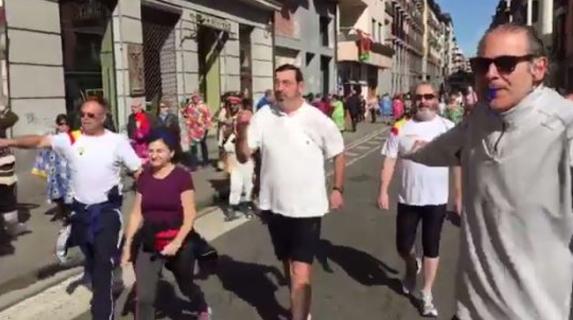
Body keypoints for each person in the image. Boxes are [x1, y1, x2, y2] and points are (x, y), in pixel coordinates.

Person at [406, 24, 573, 320]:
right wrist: (408, 148)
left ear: (539, 68)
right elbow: (442, 149)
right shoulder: (481, 116)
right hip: (468, 310)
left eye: (506, 64)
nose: (491, 74)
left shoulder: (564, 130)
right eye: (482, 65)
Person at [0, 96, 142, 319]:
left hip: (107, 212)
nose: (84, 118)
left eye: (91, 115)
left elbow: (138, 170)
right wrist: (8, 142)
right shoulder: (71, 139)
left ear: (103, 118)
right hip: (81, 213)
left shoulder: (117, 141)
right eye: (82, 114)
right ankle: (105, 274)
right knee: (93, 260)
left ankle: (103, 311)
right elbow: (38, 141)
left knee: (102, 265)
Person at [235, 64, 345, 320]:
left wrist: (338, 188)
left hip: (308, 208)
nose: (280, 88)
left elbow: (338, 153)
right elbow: (243, 156)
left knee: (301, 272)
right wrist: (242, 129)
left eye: (287, 83)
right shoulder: (264, 115)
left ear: (300, 87)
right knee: (287, 263)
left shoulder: (317, 119)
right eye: (278, 82)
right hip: (273, 206)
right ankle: (300, 310)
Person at [378, 82, 461, 317]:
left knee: (431, 247)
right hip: (408, 198)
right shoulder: (399, 127)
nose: (423, 101)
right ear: (412, 100)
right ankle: (410, 266)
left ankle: (426, 293)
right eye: (419, 97)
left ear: (436, 98)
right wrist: (383, 189)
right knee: (403, 245)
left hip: (436, 200)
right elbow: (390, 160)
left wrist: (458, 195)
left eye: (429, 96)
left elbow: (457, 163)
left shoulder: (448, 127)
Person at [121, 129, 211, 320]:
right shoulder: (144, 177)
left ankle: (200, 304)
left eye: (159, 151)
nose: (153, 155)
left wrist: (177, 243)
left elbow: (190, 215)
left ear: (171, 153)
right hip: (149, 241)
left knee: (185, 284)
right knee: (144, 297)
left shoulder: (181, 177)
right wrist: (128, 246)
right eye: (150, 150)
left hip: (178, 241)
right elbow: (137, 213)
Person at [32, 114, 75, 221]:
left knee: (69, 192)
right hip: (55, 169)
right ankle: (63, 212)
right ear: (57, 125)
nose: (64, 127)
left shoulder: (73, 136)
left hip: (68, 170)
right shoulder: (53, 137)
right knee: (57, 192)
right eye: (61, 124)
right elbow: (43, 148)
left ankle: (69, 214)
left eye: (66, 124)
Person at [222, 96, 255, 221]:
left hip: (246, 155)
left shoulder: (245, 116)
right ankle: (232, 206)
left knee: (248, 183)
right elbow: (225, 141)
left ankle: (247, 204)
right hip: (234, 156)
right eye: (231, 105)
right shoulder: (228, 119)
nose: (233, 106)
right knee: (236, 183)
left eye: (235, 104)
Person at [0, 104, 23, 238]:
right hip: (3, 170)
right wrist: (3, 108)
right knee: (7, 198)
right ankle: (11, 228)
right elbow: (13, 117)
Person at [183, 93, 212, 170]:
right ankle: (194, 163)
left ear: (199, 97)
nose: (195, 99)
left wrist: (207, 127)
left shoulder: (203, 106)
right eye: (193, 97)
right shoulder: (190, 106)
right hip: (192, 129)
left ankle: (205, 161)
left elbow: (208, 116)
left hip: (202, 128)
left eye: (196, 97)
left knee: (203, 144)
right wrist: (186, 119)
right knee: (193, 146)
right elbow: (185, 113)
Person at [127, 99, 154, 163]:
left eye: (135, 107)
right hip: (134, 146)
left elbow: (152, 130)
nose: (132, 109)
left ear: (140, 107)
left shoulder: (148, 117)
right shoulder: (130, 117)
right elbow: (130, 130)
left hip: (145, 145)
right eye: (132, 107)